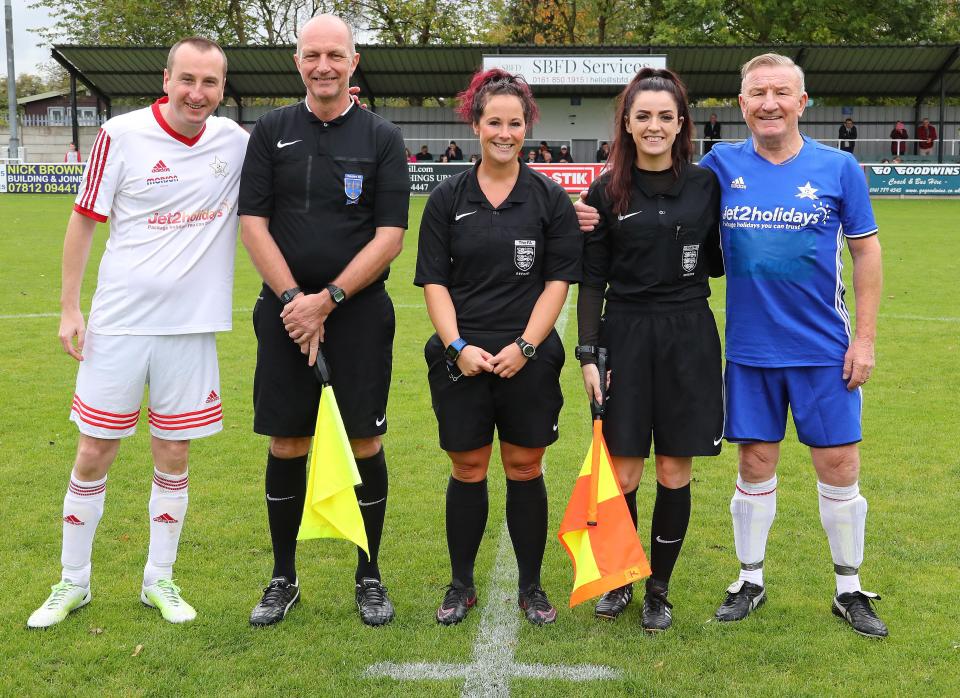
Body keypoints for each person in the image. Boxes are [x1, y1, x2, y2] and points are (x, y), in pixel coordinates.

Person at [575, 53, 887, 639]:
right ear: (740, 105)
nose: (769, 103)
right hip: (746, 349)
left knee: (841, 465)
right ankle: (749, 580)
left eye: (781, 92)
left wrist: (864, 341)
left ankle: (850, 588)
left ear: (802, 100)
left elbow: (866, 251)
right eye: (757, 93)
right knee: (754, 462)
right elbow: (641, 216)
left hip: (824, 347)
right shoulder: (719, 168)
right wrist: (583, 217)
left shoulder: (838, 168)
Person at [27, 37, 248, 629]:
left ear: (223, 88)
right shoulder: (121, 135)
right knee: (94, 451)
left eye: (210, 83)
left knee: (173, 453)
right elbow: (82, 221)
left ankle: (161, 580)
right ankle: (72, 582)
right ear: (167, 78)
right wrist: (70, 308)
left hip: (190, 330)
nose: (197, 94)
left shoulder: (236, 142)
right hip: (120, 325)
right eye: (188, 80)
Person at [238, 14, 410, 628]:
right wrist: (294, 302)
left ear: (353, 62)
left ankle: (369, 574)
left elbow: (390, 237)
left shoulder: (383, 137)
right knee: (289, 441)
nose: (324, 66)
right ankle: (283, 577)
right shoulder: (271, 131)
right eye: (313, 55)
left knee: (365, 440)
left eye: (335, 55)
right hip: (285, 316)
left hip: (358, 315)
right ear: (298, 61)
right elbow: (251, 224)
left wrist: (327, 300)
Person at [414, 68, 581, 627]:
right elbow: (434, 281)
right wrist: (456, 344)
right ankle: (460, 583)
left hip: (526, 357)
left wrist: (527, 347)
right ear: (476, 124)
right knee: (467, 467)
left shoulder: (549, 199)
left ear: (526, 126)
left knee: (524, 465)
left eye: (515, 122)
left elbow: (558, 281)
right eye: (494, 122)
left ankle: (530, 586)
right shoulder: (446, 198)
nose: (504, 132)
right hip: (461, 357)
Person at [578, 68, 723, 632]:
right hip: (627, 334)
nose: (655, 126)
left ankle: (658, 588)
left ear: (682, 122)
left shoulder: (705, 186)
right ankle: (618, 578)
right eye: (644, 116)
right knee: (625, 470)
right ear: (627, 124)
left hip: (689, 333)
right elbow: (591, 281)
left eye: (666, 115)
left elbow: (719, 256)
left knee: (673, 467)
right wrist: (589, 354)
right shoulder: (605, 190)